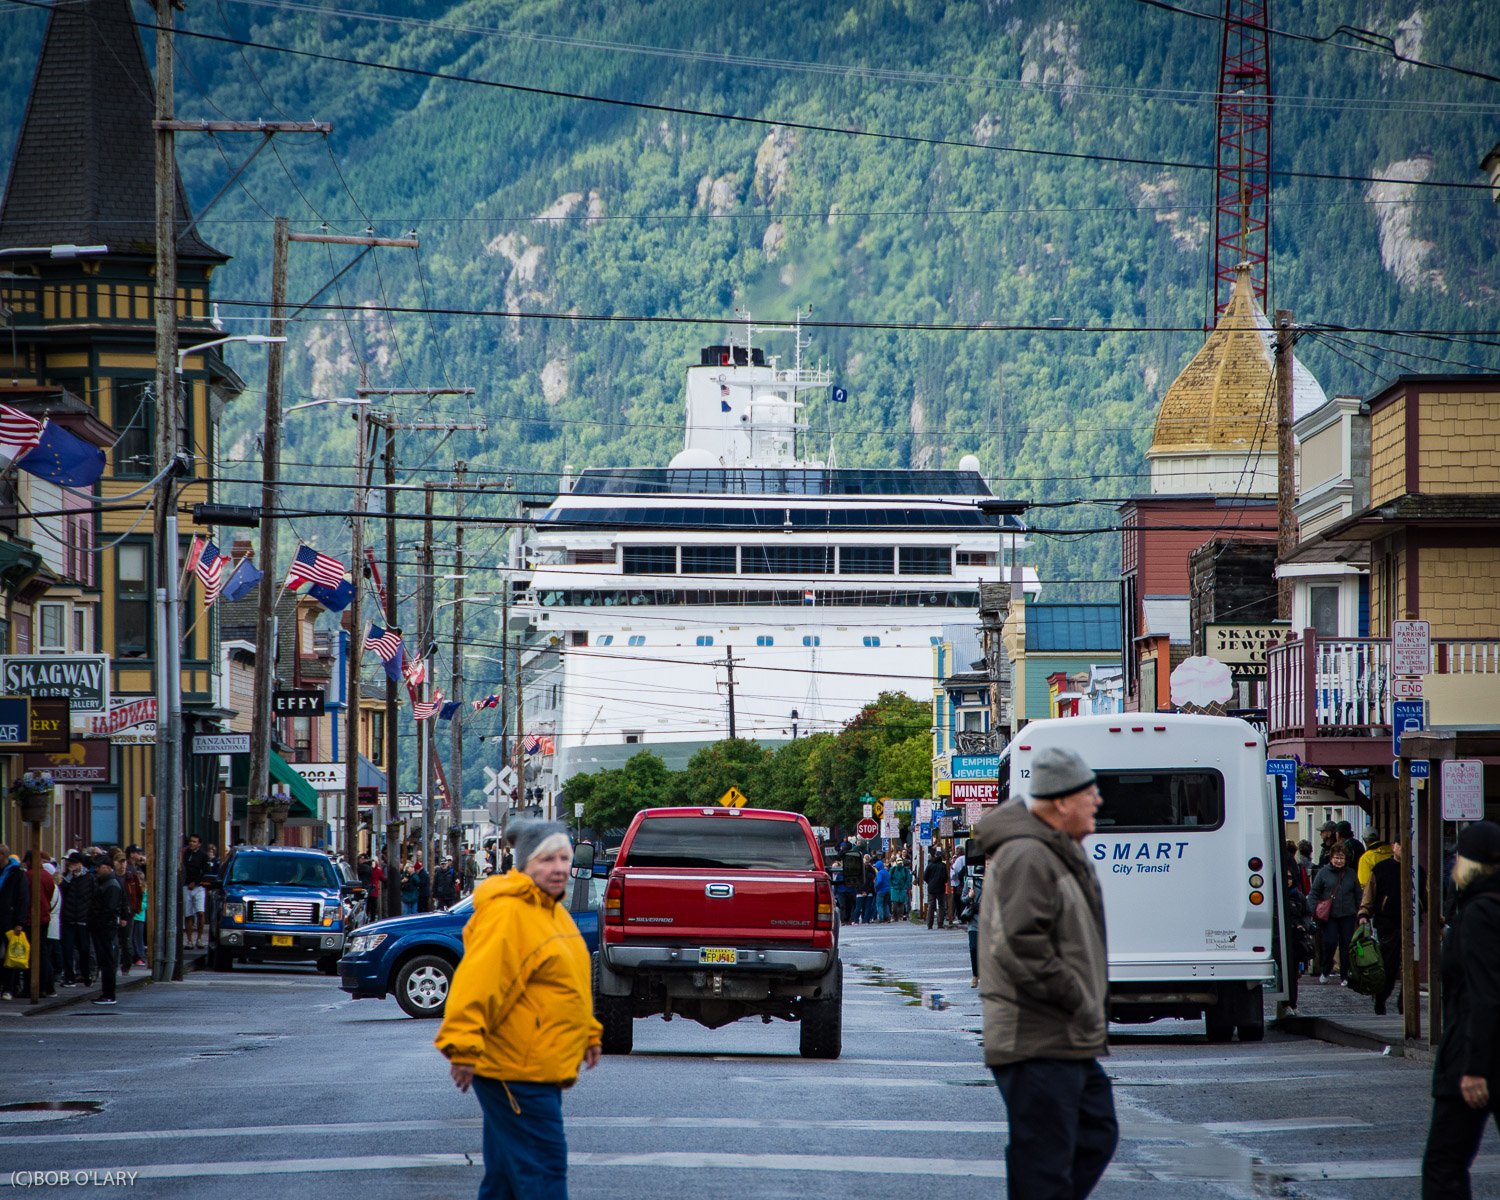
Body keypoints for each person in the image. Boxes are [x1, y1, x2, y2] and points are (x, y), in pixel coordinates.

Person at [974, 746, 1116, 1200]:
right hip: (1036, 1035)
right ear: (1061, 800)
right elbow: (1020, 944)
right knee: (1046, 1163)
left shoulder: (1055, 850)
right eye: (1090, 793)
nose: (1098, 801)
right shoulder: (1028, 854)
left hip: (1063, 1035)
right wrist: (1076, 996)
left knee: (1095, 1133)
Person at [435, 820, 601, 1199]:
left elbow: (566, 985)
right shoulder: (509, 913)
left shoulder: (551, 910)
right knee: (544, 1167)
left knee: (505, 1180)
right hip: (516, 1069)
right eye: (547, 859)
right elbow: (478, 983)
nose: (559, 868)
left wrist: (588, 1033)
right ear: (525, 864)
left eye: (564, 858)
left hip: (534, 1064)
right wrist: (462, 1047)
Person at [1421, 821, 1500, 1198]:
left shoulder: (1479, 913)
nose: (1453, 865)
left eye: (1458, 858)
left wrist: (1474, 1069)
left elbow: (1484, 994)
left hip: (1473, 1054)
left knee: (1443, 1164)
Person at [1359, 840, 1425, 1017]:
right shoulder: (1381, 869)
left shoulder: (1417, 870)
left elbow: (1427, 896)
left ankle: (1405, 1004)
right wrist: (1364, 913)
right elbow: (1369, 893)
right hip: (1387, 924)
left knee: (1411, 965)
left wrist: (1439, 921)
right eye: (1400, 845)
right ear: (1394, 847)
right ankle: (1380, 999)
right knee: (1389, 966)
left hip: (1412, 924)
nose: (1403, 849)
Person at [1309, 842, 1363, 984]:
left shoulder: (1351, 873)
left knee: (1346, 945)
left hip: (1348, 914)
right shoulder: (1323, 873)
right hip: (1330, 916)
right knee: (1330, 943)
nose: (1339, 861)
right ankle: (1325, 970)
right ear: (1331, 858)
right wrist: (1310, 911)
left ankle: (1345, 975)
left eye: (1342, 858)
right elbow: (1314, 893)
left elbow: (1358, 894)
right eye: (1336, 858)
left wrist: (1361, 912)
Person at [88, 854, 126, 1005]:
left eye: (99, 866)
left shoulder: (111, 885)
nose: (96, 869)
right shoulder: (105, 883)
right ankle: (107, 993)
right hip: (102, 927)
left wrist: (98, 922)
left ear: (108, 867)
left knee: (108, 961)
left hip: (106, 928)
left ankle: (109, 994)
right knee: (105, 961)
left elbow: (109, 909)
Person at [21, 852, 58, 997]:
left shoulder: (28, 876)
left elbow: (24, 897)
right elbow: (49, 894)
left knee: (30, 953)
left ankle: (31, 987)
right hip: (43, 918)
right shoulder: (47, 876)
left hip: (31, 918)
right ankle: (44, 986)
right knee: (42, 952)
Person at [58, 851, 93, 987]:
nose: (70, 865)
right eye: (69, 863)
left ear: (80, 864)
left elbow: (93, 897)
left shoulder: (89, 878)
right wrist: (68, 877)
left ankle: (86, 974)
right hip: (69, 919)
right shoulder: (67, 878)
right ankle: (69, 977)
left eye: (73, 863)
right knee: (67, 950)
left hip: (83, 920)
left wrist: (90, 915)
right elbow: (61, 893)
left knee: (84, 949)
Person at [0, 845, 26, 1000]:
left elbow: (22, 898)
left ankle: (9, 988)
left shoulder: (17, 874)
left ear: (3, 855)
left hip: (9, 920)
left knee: (11, 956)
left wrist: (19, 922)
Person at [181, 834, 210, 950]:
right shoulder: (184, 854)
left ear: (199, 844)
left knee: (200, 912)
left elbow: (206, 871)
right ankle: (189, 940)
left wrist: (196, 882)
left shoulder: (203, 856)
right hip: (186, 887)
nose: (192, 843)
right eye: (191, 841)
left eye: (194, 842)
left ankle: (199, 938)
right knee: (188, 914)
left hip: (199, 887)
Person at [924, 850, 949, 929]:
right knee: (941, 905)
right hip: (941, 887)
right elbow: (945, 877)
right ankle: (940, 923)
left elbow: (925, 877)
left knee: (931, 905)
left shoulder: (930, 865)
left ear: (934, 856)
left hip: (931, 887)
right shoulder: (943, 866)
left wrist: (930, 882)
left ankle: (929, 923)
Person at [889, 856, 912, 922]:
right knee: (894, 903)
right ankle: (894, 916)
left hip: (902, 888)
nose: (900, 864)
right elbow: (890, 878)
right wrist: (892, 886)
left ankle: (900, 916)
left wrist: (907, 887)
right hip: (894, 888)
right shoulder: (893, 869)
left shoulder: (905, 870)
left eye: (900, 863)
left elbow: (907, 879)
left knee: (901, 903)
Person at [949, 851, 968, 927]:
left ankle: (961, 917)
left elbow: (955, 872)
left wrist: (953, 878)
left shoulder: (959, 860)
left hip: (958, 884)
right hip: (965, 882)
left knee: (958, 900)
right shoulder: (966, 859)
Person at [873, 857, 892, 923]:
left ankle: (881, 918)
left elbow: (879, 880)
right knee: (886, 904)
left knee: (880, 904)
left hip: (881, 890)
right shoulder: (886, 872)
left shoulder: (879, 873)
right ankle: (888, 916)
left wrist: (875, 886)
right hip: (887, 890)